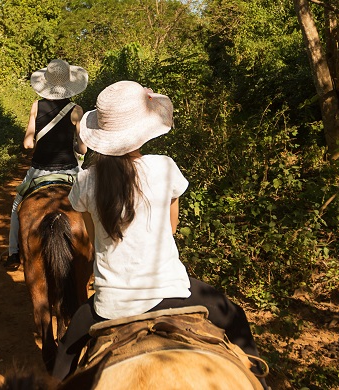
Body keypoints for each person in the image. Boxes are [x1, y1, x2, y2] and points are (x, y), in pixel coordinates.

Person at [51, 81, 267, 388]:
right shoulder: (165, 168)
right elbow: (171, 227)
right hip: (172, 291)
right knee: (236, 317)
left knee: (66, 356)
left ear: (101, 133)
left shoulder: (85, 181)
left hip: (111, 303)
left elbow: (91, 235)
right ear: (144, 128)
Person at [3, 59, 89, 270]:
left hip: (39, 170)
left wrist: (34, 141)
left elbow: (27, 143)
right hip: (70, 170)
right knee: (90, 204)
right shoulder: (76, 109)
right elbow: (83, 149)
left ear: (47, 83)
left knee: (17, 206)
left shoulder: (36, 105)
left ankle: (14, 253)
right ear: (69, 82)